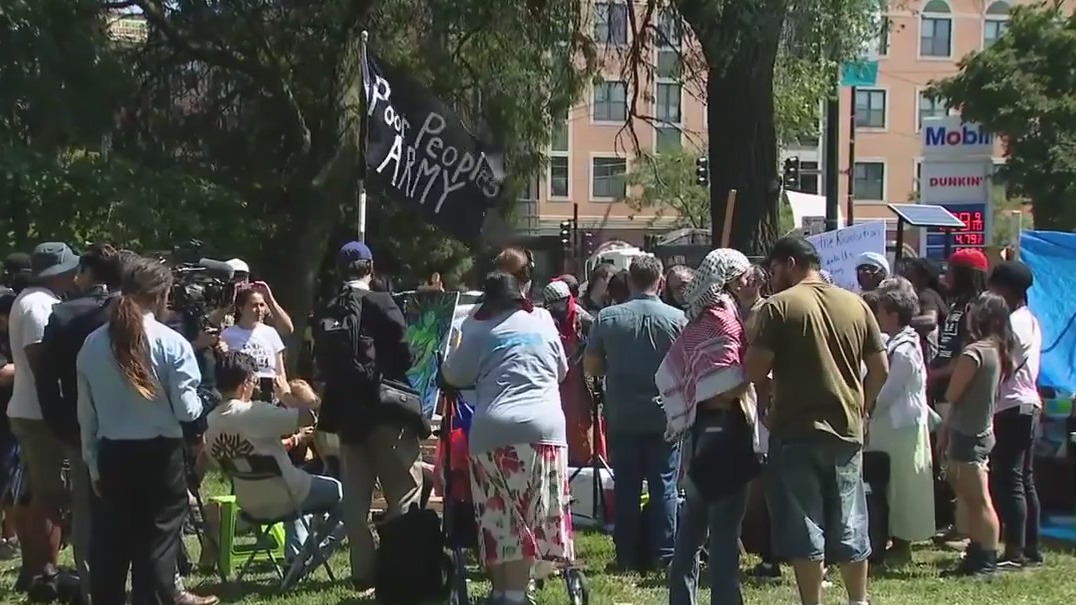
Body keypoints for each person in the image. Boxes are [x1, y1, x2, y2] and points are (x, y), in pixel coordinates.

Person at [745, 235, 888, 605]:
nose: (771, 279)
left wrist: (766, 393)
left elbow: (755, 368)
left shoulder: (778, 307)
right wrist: (862, 406)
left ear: (791, 263)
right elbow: (880, 369)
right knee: (851, 519)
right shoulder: (856, 305)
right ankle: (858, 599)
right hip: (846, 429)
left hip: (796, 430)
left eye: (774, 270)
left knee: (804, 523)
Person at [76, 257, 206, 605]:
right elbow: (186, 409)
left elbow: (86, 414)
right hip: (160, 456)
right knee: (155, 546)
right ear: (162, 295)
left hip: (112, 453)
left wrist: (92, 463)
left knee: (110, 546)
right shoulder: (171, 342)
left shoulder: (92, 344)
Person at [441, 271, 572, 605]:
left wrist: (470, 322)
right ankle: (513, 594)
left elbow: (453, 374)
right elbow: (562, 371)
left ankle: (505, 594)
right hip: (546, 427)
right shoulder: (542, 319)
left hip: (494, 430)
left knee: (499, 515)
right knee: (533, 513)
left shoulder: (478, 328)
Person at [314, 241, 418, 592]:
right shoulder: (381, 301)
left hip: (346, 416)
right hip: (386, 410)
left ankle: (363, 574)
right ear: (370, 267)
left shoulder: (329, 307)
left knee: (355, 504)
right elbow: (405, 355)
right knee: (401, 494)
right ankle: (401, 570)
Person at [660, 249, 756, 605]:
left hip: (701, 432)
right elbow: (725, 385)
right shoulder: (724, 320)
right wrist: (755, 376)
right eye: (744, 276)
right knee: (724, 530)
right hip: (726, 429)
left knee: (692, 528)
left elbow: (680, 374)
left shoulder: (698, 320)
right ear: (729, 281)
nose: (750, 282)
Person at [33, 243, 123, 604]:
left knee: (86, 509)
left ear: (86, 274)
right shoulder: (134, 312)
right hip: (137, 428)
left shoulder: (66, 315)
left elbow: (45, 377)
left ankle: (92, 590)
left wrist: (58, 422)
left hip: (81, 424)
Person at [584, 256, 686, 572]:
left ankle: (626, 555)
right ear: (660, 281)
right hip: (664, 415)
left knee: (627, 486)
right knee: (664, 485)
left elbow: (591, 364)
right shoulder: (678, 319)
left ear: (629, 281)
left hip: (623, 413)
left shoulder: (608, 318)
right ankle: (664, 553)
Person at [204, 351, 342, 562]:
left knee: (291, 487)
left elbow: (215, 462)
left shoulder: (210, 423)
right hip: (288, 496)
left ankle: (293, 558)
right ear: (246, 382)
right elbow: (309, 416)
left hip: (249, 505)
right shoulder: (254, 412)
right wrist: (286, 395)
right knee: (345, 495)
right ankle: (311, 555)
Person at [6, 242, 79, 590]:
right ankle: (44, 571)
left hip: (31, 411)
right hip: (39, 414)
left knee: (38, 494)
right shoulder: (39, 305)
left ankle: (35, 570)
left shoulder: (36, 299)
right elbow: (41, 363)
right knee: (49, 496)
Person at [936, 292, 1014, 577]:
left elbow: (953, 393)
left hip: (969, 433)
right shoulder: (996, 350)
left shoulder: (975, 353)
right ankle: (977, 551)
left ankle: (986, 559)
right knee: (970, 498)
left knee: (978, 499)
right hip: (977, 430)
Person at [864, 277, 936, 565]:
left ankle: (903, 544)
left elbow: (887, 393)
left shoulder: (905, 350)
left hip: (901, 428)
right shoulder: (891, 342)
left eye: (880, 311)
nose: (877, 316)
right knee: (887, 485)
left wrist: (864, 410)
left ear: (893, 315)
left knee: (903, 486)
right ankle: (887, 538)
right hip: (888, 428)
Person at [987, 261, 1043, 569]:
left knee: (1010, 480)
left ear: (1007, 289)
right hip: (1027, 404)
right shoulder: (1030, 320)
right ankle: (1029, 548)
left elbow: (1000, 362)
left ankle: (1016, 551)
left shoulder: (1013, 324)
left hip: (1011, 406)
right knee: (1024, 479)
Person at [928, 249, 988, 535]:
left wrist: (935, 373)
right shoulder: (955, 304)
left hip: (956, 389)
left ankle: (965, 524)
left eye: (951, 270)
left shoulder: (975, 308)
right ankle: (959, 518)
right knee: (947, 459)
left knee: (958, 462)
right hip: (941, 387)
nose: (945, 275)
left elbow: (967, 355)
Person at [542, 279, 602, 467]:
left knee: (582, 420)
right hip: (556, 379)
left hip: (581, 378)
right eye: (554, 303)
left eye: (562, 301)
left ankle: (587, 459)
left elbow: (597, 341)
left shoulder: (583, 318)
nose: (559, 307)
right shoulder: (544, 319)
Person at [221, 288, 288, 401]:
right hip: (245, 391)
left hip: (269, 392)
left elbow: (280, 370)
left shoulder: (271, 333)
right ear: (241, 308)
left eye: (262, 305)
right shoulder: (228, 335)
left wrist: (285, 394)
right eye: (254, 305)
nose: (259, 310)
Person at [897, 258, 946, 364]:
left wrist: (899, 322)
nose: (908, 274)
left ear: (924, 276)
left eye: (912, 271)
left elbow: (930, 320)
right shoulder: (934, 293)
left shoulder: (926, 295)